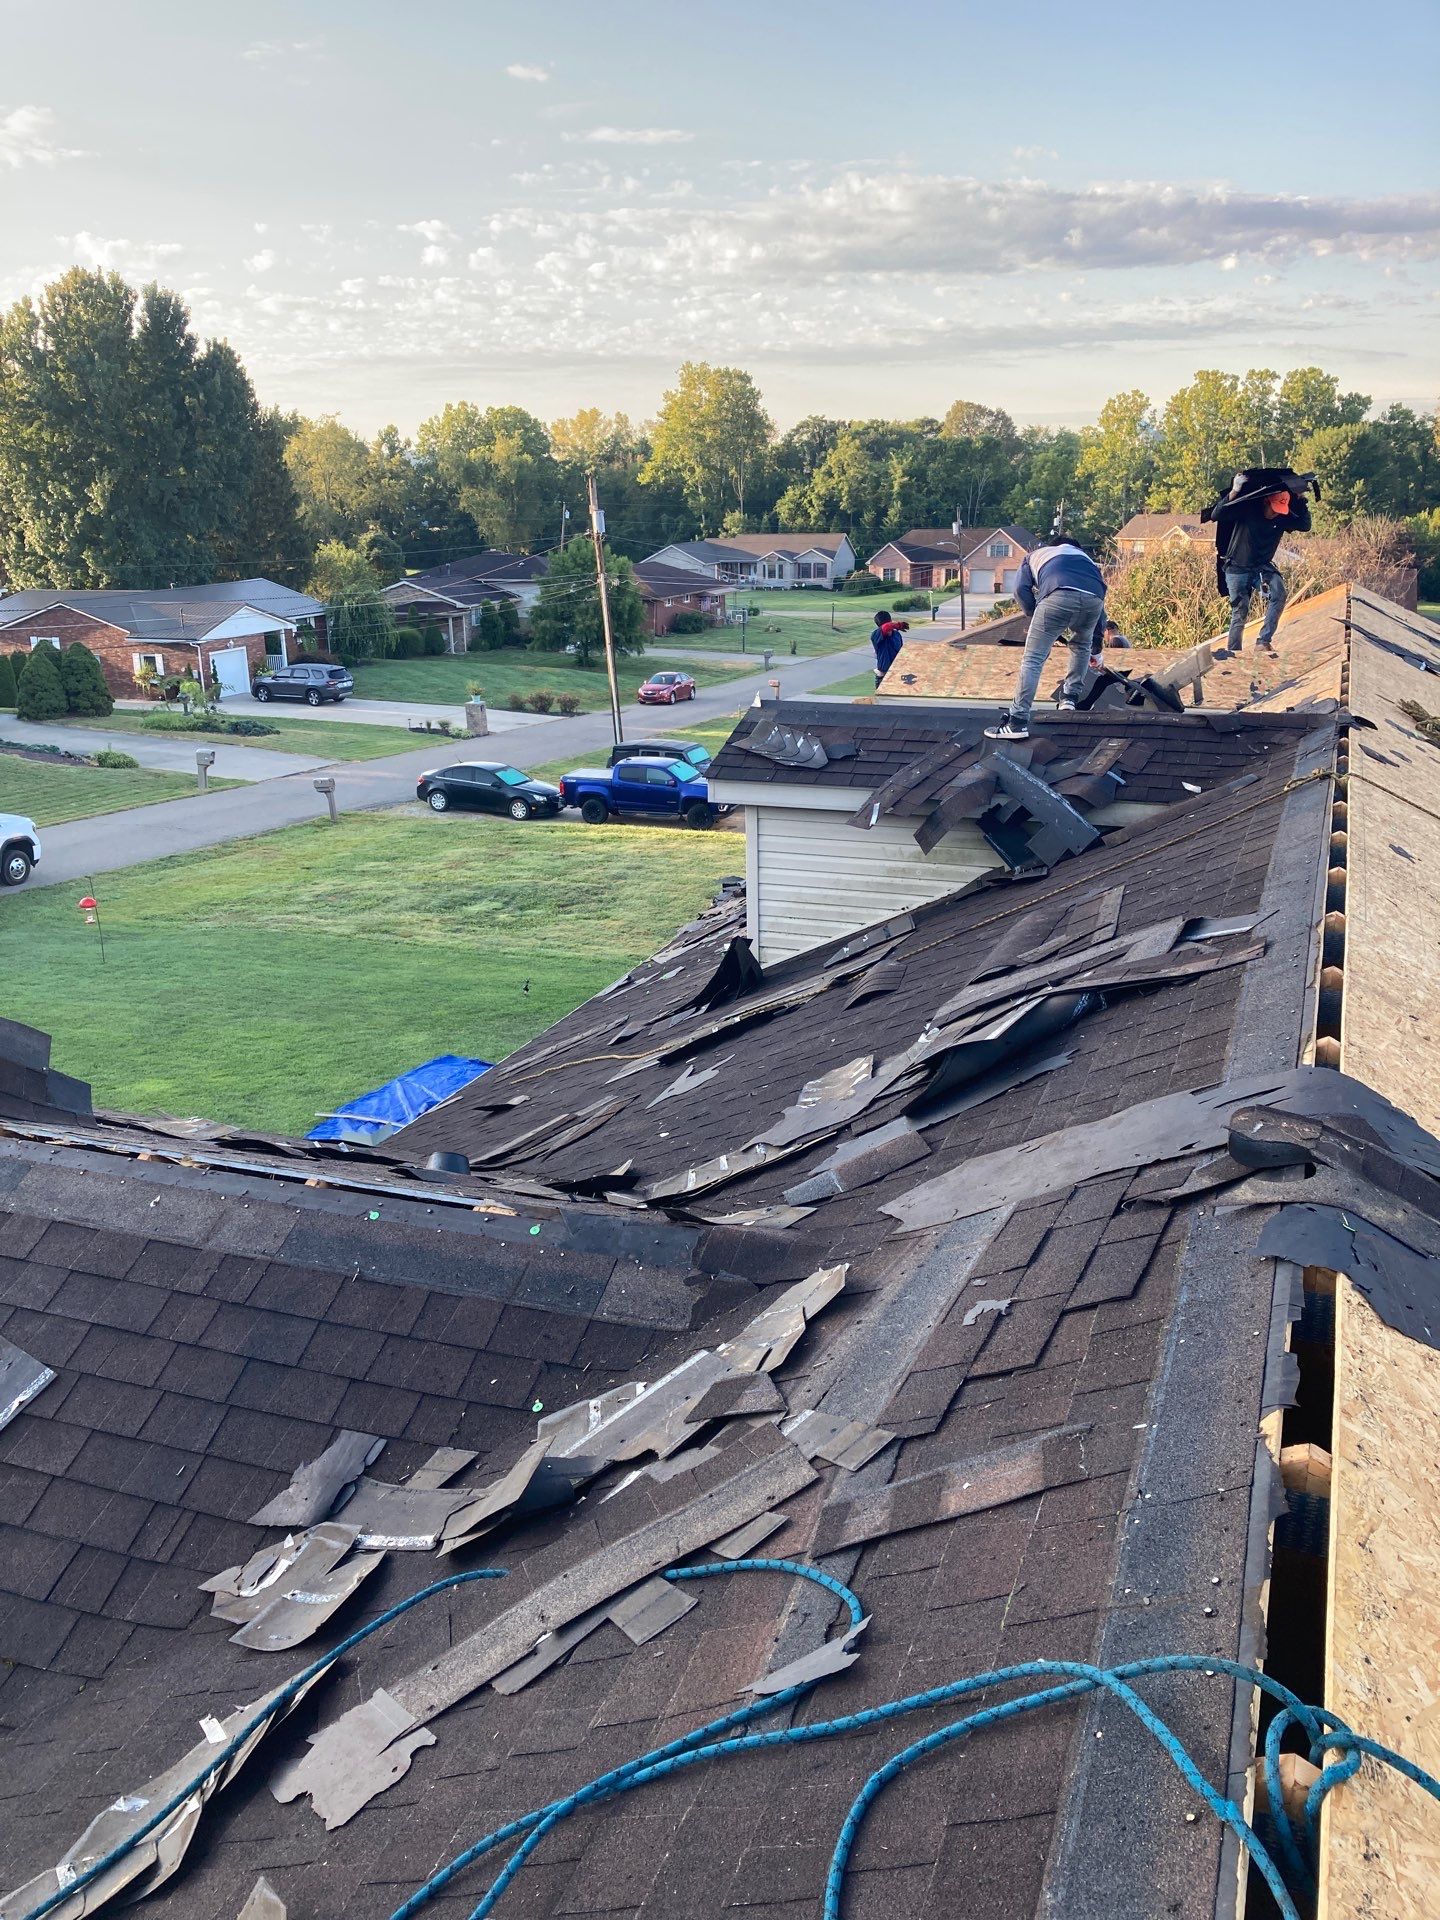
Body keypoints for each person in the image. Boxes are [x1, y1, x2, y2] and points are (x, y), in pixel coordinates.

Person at [984, 535, 1106, 741]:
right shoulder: (1087, 561)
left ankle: (1017, 722)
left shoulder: (1036, 555)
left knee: (1033, 659)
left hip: (1056, 596)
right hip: (1093, 601)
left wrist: (1035, 614)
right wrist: (1097, 650)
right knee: (1081, 646)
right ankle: (1069, 698)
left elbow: (1020, 589)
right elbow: (1100, 611)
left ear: (1054, 547)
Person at [1206, 468, 1315, 659]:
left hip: (1261, 567)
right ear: (1266, 501)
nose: (1276, 513)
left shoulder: (1283, 517)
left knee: (1279, 593)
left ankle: (1263, 642)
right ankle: (1233, 652)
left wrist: (1299, 499)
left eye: (1280, 509)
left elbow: (1305, 526)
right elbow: (1216, 514)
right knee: (1240, 611)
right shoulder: (1248, 511)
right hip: (1236, 567)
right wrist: (1234, 491)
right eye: (1274, 508)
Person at [870, 608, 908, 687]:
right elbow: (885, 627)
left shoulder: (897, 634)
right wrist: (898, 625)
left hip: (898, 674)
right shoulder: (876, 635)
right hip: (883, 677)